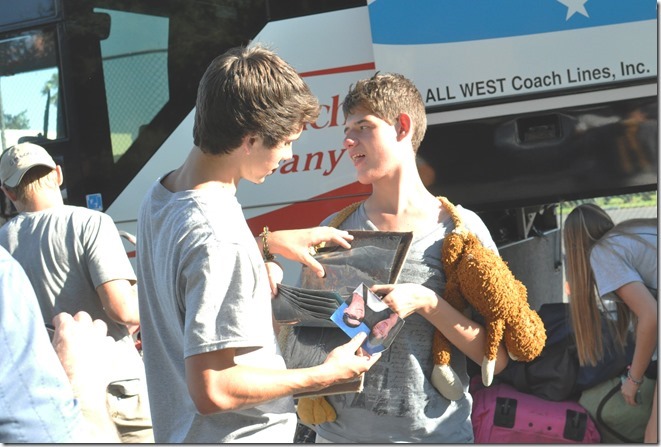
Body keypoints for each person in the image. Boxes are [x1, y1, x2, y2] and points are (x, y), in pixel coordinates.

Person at [135, 44, 381, 443]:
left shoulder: (162, 193)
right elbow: (214, 389)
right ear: (249, 139)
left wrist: (266, 244)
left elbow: (188, 264)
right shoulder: (219, 236)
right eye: (285, 142)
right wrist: (322, 375)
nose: (288, 155)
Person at [302, 72, 509, 443]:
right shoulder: (333, 231)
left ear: (402, 126)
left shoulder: (460, 231)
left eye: (363, 127)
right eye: (346, 131)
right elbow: (305, 342)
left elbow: (497, 356)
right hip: (337, 438)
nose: (348, 141)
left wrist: (428, 303)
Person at [0, 142, 153, 442]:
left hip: (56, 397)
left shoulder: (3, 243)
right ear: (58, 175)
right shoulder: (91, 222)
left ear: (8, 192)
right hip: (117, 386)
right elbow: (123, 310)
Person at [0, 244, 119, 442]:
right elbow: (122, 309)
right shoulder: (4, 271)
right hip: (105, 382)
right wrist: (83, 386)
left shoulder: (6, 237)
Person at [563, 203, 657, 443]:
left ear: (574, 247)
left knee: (654, 434)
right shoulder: (627, 236)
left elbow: (651, 316)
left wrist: (633, 380)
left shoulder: (603, 252)